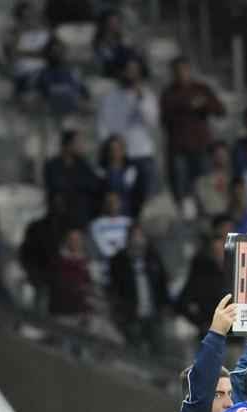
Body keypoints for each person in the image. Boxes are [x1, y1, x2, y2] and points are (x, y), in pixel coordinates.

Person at [96, 57, 159, 214]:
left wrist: (140, 100)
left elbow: (152, 122)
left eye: (134, 71)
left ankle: (139, 228)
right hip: (117, 157)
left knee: (144, 197)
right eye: (128, 70)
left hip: (141, 154)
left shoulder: (147, 96)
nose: (131, 74)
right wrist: (110, 146)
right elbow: (103, 124)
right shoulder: (110, 97)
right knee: (119, 198)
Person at [161, 57, 226, 204]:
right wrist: (187, 106)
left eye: (184, 70)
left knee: (204, 187)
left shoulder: (201, 89)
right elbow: (164, 120)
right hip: (178, 149)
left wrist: (204, 104)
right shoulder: (168, 93)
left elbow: (220, 110)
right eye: (177, 71)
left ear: (189, 71)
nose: (181, 74)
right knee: (182, 190)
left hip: (201, 146)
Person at [109, 223, 171, 354]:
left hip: (154, 316)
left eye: (141, 236)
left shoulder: (153, 259)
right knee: (135, 352)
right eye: (135, 236)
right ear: (128, 239)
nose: (138, 240)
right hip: (131, 316)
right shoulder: (119, 261)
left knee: (160, 350)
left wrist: (164, 308)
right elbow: (115, 290)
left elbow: (162, 286)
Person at [44, 129, 101, 229]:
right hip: (60, 218)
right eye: (77, 143)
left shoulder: (83, 165)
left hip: (80, 218)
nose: (80, 146)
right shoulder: (52, 166)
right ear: (69, 145)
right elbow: (55, 188)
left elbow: (94, 185)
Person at [196, 142, 236, 220]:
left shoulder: (235, 179)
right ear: (211, 157)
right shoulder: (202, 182)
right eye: (218, 155)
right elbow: (204, 207)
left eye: (224, 154)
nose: (221, 157)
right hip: (212, 222)